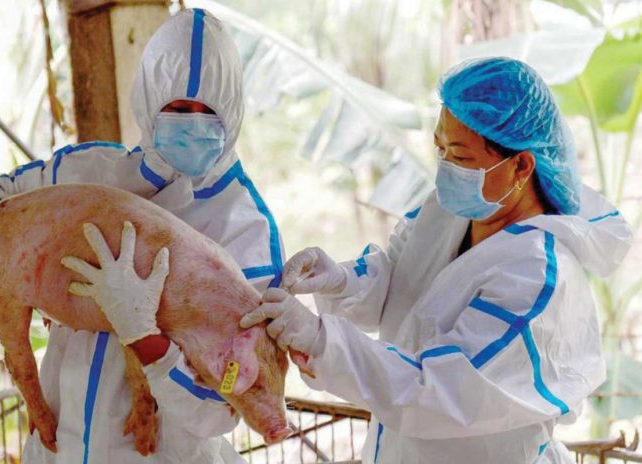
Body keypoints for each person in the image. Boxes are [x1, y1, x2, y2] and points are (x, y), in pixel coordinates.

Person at [239, 57, 634, 464]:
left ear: (520, 165)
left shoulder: (537, 277)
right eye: (440, 149)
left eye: (460, 158)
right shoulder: (453, 211)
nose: (445, 168)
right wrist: (342, 280)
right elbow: (400, 277)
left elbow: (437, 390)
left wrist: (323, 342)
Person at [0, 6, 283, 464]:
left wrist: (147, 338)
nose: (190, 121)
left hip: (155, 455)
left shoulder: (246, 227)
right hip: (57, 445)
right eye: (175, 109)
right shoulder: (91, 168)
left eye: (205, 111)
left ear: (230, 111)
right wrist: (33, 272)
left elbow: (220, 407)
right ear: (149, 103)